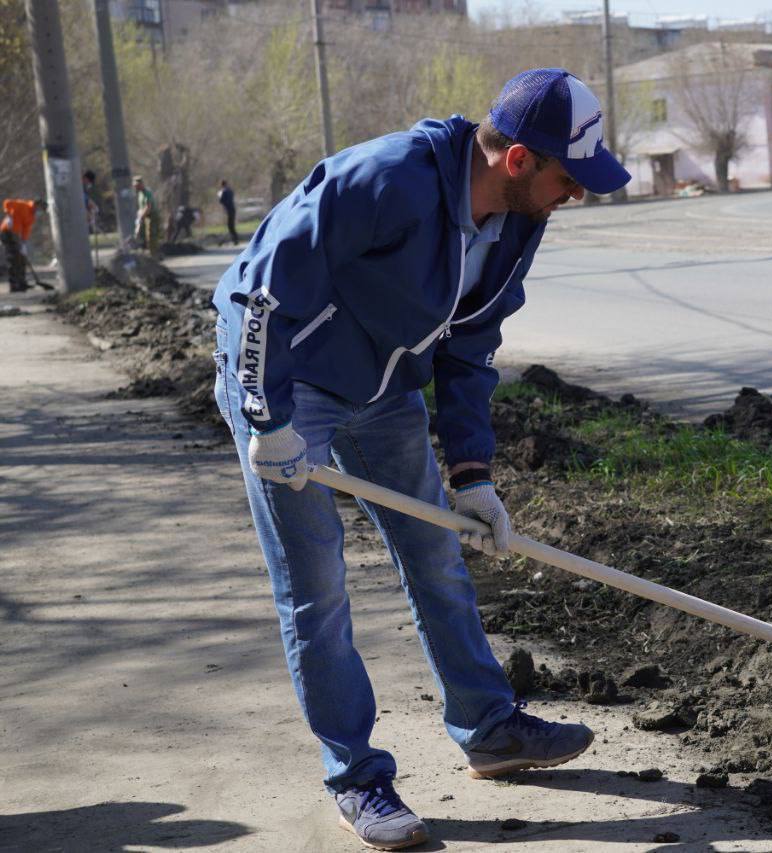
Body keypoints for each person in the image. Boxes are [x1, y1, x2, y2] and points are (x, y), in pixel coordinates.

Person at [212, 69, 629, 850]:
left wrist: (474, 473)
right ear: (518, 162)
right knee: (318, 586)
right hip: (289, 382)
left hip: (384, 387)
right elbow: (263, 294)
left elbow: (471, 345)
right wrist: (266, 417)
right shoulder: (385, 179)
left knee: (437, 552)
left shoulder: (518, 221)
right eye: (568, 178)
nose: (575, 195)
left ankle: (487, 726)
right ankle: (357, 776)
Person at [1, 197, 46, 293]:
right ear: (36, 205)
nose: (40, 212)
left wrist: (24, 243)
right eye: (41, 209)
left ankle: (21, 283)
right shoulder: (23, 205)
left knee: (22, 258)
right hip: (7, 231)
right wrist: (9, 215)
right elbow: (7, 202)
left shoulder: (31, 217)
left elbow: (26, 230)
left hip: (16, 234)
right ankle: (14, 285)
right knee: (13, 258)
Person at [133, 175, 159, 254]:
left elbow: (148, 207)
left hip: (152, 216)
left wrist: (141, 217)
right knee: (141, 235)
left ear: (141, 184)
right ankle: (144, 251)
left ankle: (154, 254)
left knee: (151, 235)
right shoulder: (140, 194)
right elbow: (141, 207)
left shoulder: (147, 193)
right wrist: (139, 216)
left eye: (137, 185)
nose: (136, 187)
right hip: (145, 216)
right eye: (135, 186)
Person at [217, 179, 238, 245]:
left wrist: (219, 195)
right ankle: (235, 239)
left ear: (222, 185)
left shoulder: (223, 191)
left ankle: (235, 239)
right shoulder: (230, 190)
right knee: (231, 225)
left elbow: (221, 201)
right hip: (232, 209)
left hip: (228, 210)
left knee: (230, 226)